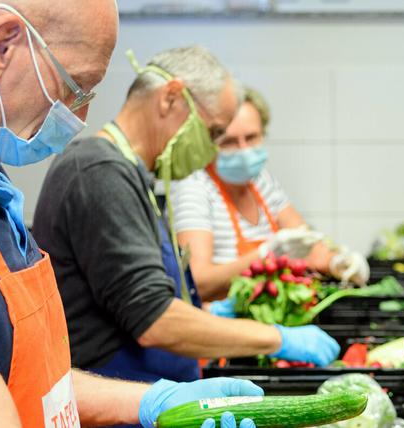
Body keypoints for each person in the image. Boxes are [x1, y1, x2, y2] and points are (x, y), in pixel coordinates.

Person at [0, 2, 258, 428]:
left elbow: (26, 376)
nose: (79, 116)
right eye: (76, 86)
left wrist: (155, 401)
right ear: (0, 48)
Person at [32, 47, 339, 389]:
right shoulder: (99, 172)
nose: (211, 150)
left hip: (150, 392)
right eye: (213, 133)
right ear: (171, 98)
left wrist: (209, 317)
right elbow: (155, 321)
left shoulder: (133, 175)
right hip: (121, 400)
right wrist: (276, 338)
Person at [169, 86, 370, 310]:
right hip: (222, 325)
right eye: (229, 141)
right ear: (208, 143)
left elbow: (305, 241)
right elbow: (197, 282)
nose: (244, 150)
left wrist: (337, 262)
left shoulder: (260, 181)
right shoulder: (194, 187)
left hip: (266, 316)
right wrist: (265, 254)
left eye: (252, 138)